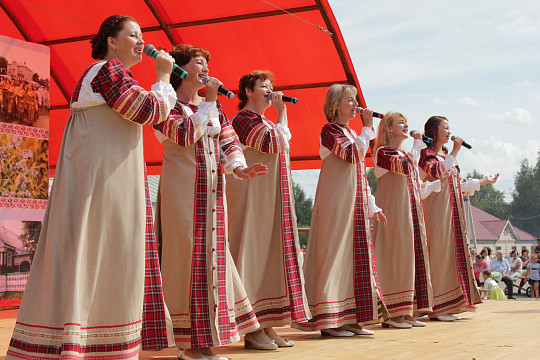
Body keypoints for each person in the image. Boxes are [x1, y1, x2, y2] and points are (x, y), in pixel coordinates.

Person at [6, 15, 176, 360]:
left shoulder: (112, 74)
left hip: (105, 182)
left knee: (103, 254)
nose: (141, 40)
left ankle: (91, 341)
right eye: (133, 34)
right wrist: (163, 77)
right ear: (111, 41)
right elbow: (144, 110)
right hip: (102, 185)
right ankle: (87, 343)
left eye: (142, 34)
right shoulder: (107, 71)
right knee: (101, 252)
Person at [153, 44, 268, 360]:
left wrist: (240, 168)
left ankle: (205, 342)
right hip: (183, 190)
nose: (205, 68)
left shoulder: (211, 107)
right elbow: (183, 135)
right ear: (180, 68)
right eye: (198, 62)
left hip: (214, 194)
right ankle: (187, 345)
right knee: (187, 259)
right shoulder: (168, 105)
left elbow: (230, 142)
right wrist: (212, 102)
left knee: (212, 260)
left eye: (207, 62)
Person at [294, 84, 389, 337]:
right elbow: (351, 155)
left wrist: (371, 205)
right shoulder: (330, 130)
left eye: (355, 100)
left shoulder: (349, 132)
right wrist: (367, 129)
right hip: (336, 201)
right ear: (336, 105)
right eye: (350, 100)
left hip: (353, 202)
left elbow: (359, 173)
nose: (355, 104)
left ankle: (349, 317)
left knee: (352, 256)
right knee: (334, 253)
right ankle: (329, 319)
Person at [226, 70, 311, 347]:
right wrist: (282, 113)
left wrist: (278, 114)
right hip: (252, 196)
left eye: (271, 86)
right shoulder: (243, 120)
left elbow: (279, 143)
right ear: (248, 91)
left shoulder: (261, 120)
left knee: (269, 255)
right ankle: (253, 328)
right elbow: (274, 142)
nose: (270, 90)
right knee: (253, 253)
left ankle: (268, 323)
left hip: (269, 197)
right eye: (264, 86)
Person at [419, 116, 496, 321]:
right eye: (445, 127)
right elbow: (438, 171)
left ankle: (452, 301)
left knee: (452, 253)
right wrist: (454, 151)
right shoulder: (426, 154)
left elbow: (458, 183)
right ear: (434, 130)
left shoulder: (445, 155)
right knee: (439, 253)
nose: (449, 131)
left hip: (452, 209)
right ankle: (437, 305)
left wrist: (483, 181)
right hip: (436, 209)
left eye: (449, 128)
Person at [373, 111, 437, 328]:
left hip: (408, 210)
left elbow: (413, 175)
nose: (406, 125)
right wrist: (418, 145)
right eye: (401, 122)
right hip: (393, 211)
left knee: (410, 255)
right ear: (389, 128)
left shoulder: (402, 153)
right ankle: (393, 313)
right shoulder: (383, 152)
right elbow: (407, 166)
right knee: (395, 256)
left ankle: (407, 309)